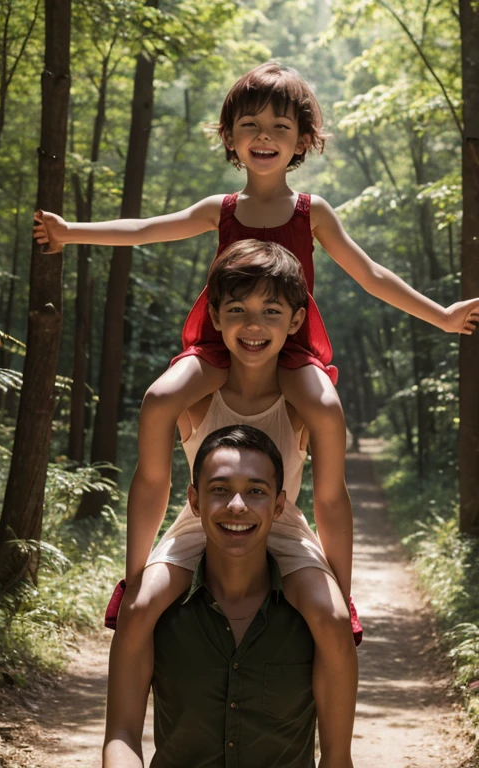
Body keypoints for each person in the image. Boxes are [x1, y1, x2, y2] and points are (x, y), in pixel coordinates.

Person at [33, 62, 479, 604]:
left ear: (303, 141)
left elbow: (372, 274)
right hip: (221, 343)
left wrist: (444, 315)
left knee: (327, 410)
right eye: (249, 124)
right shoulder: (221, 211)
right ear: (229, 136)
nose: (264, 136)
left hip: (289, 348)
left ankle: (341, 592)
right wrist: (69, 232)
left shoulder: (312, 212)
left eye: (280, 127)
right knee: (159, 398)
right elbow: (146, 229)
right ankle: (133, 578)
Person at [104, 240, 357, 768]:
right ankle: (121, 737)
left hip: (280, 520)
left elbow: (331, 499)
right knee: (144, 608)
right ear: (215, 316)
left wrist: (340, 590)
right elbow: (153, 483)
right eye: (237, 309)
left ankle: (338, 757)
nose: (254, 324)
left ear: (295, 321)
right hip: (201, 520)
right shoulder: (189, 390)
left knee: (330, 622)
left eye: (271, 310)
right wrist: (133, 580)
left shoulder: (310, 398)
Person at [105, 424, 322, 768]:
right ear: (194, 501)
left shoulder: (313, 620)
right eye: (220, 489)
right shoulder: (156, 614)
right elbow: (122, 735)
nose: (237, 506)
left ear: (279, 505)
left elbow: (338, 758)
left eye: (256, 491)